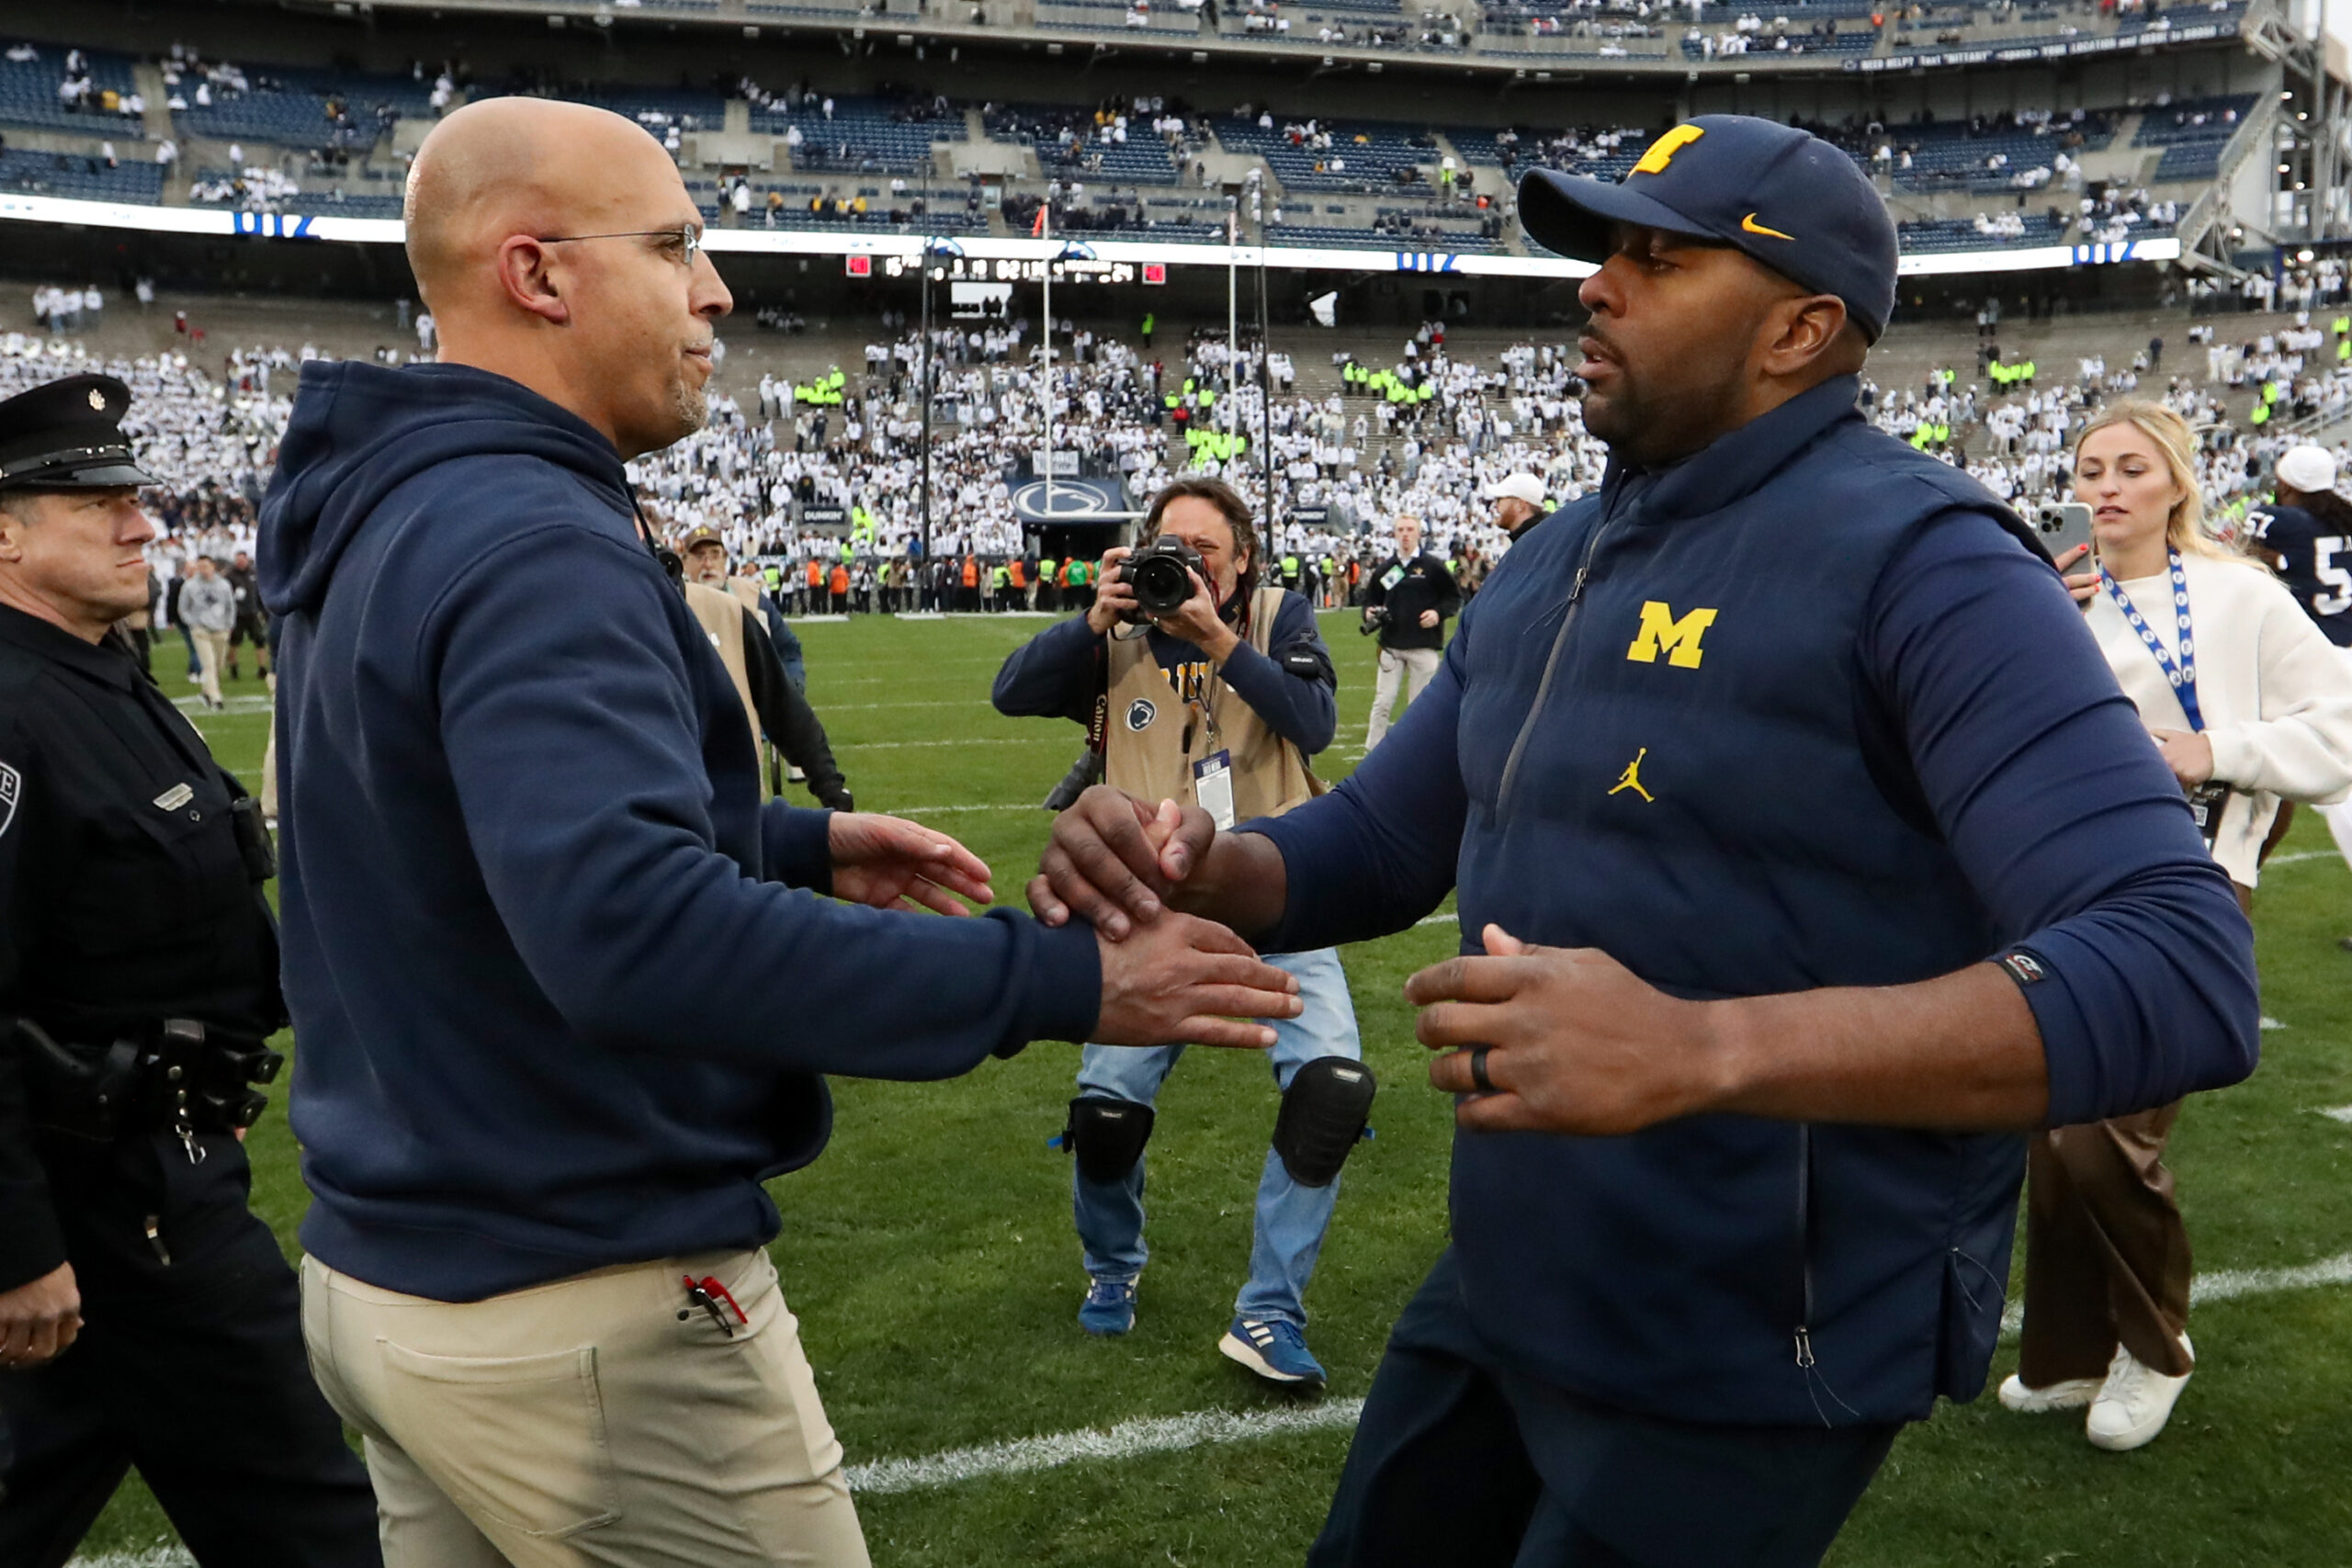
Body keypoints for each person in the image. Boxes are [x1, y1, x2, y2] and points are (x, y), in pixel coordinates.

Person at [1024, 116, 2259, 1566]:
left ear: (1803, 329)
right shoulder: (1557, 552)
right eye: (1605, 251)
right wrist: (1198, 865)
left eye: (1657, 259)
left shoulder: (1929, 561)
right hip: (1510, 1268)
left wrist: (1703, 1049)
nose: (1596, 286)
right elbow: (1375, 841)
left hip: (1755, 1326)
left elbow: (2180, 965)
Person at [259, 97, 1301, 1568]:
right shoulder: (529, 535)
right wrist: (1065, 982)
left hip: (402, 1263)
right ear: (539, 273)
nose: (716, 289)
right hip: (579, 1292)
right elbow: (630, 935)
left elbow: (445, 839)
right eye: (676, 244)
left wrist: (784, 846)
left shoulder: (400, 502)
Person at [0, 374, 381, 1566]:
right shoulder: (12, 707)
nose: (141, 522)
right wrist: (14, 1243)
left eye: (135, 495)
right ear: (3, 531)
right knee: (313, 1516)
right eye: (94, 502)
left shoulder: (95, 672)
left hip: (152, 1172)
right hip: (120, 1196)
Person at [2002, 404, 2352, 1451]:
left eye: (2128, 468)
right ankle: (2068, 1356)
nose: (2104, 486)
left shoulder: (2242, 594)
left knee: (2104, 1135)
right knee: (2054, 1135)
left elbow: (2337, 723)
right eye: (2087, 469)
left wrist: (2210, 751)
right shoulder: (2050, 601)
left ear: (2175, 484)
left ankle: (2156, 1350)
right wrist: (2031, 627)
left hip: (2186, 885)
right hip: (2058, 884)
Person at [993, 478, 1367, 1387]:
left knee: (1331, 1088)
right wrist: (1091, 619)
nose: (1186, 566)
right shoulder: (1118, 633)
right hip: (1146, 902)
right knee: (1108, 1115)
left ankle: (1271, 1312)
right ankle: (1112, 1264)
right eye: (1171, 547)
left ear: (1242, 559)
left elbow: (1313, 721)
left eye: (1205, 551)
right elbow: (1011, 693)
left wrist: (1218, 637)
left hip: (1275, 891)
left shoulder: (1277, 617)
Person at [677, 525, 851, 809]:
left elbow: (789, 653)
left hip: (743, 756)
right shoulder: (672, 603)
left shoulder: (752, 601)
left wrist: (791, 686)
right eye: (699, 556)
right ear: (684, 563)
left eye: (714, 554)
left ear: (726, 560)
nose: (707, 563)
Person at [2245, 444, 2352, 893]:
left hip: (2309, 663)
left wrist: (2274, 561)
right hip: (2346, 652)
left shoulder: (2279, 519)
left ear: (2286, 481)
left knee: (2287, 781)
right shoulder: (2342, 521)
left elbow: (2241, 560)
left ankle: (2241, 872)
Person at [1359, 513, 1457, 750]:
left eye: (1410, 529)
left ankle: (1418, 751)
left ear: (1418, 533)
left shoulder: (1433, 567)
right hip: (1392, 645)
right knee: (1383, 701)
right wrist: (1369, 613)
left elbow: (1453, 598)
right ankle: (1373, 750)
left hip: (1423, 646)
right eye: (1401, 529)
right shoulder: (1386, 569)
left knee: (1420, 705)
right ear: (1394, 533)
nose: (1405, 534)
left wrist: (1437, 613)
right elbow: (1370, 599)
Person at [176, 554, 234, 711]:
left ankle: (206, 692)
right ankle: (216, 698)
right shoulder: (190, 585)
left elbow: (230, 606)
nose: (203, 570)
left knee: (218, 665)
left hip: (221, 629)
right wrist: (193, 623)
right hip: (201, 630)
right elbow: (183, 608)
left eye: (205, 566)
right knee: (208, 664)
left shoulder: (223, 584)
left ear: (213, 566)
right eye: (199, 566)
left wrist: (229, 624)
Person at [1480, 471, 1549, 540]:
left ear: (1520, 505)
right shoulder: (1541, 536)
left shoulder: (1535, 542)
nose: (1494, 506)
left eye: (1499, 499)